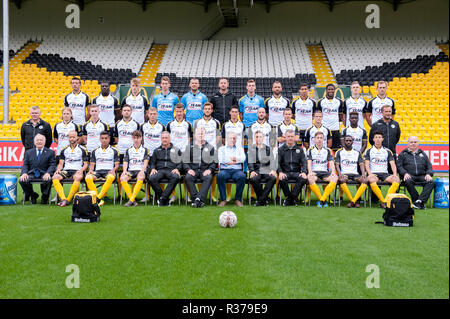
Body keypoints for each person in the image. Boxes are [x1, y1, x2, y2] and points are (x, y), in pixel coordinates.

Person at [52, 130, 89, 207]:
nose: (71, 139)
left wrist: (81, 171)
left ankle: (68, 199)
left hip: (77, 170)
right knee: (55, 177)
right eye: (70, 137)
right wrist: (58, 169)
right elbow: (61, 163)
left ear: (77, 138)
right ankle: (63, 199)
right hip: (66, 170)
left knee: (78, 177)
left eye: (73, 137)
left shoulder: (83, 149)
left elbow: (86, 164)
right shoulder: (64, 149)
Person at [397, 136, 435, 210]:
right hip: (409, 175)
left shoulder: (423, 154)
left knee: (431, 182)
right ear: (408, 143)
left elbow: (429, 166)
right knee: (408, 181)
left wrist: (428, 174)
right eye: (411, 142)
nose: (413, 144)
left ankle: (419, 201)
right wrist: (404, 173)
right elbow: (399, 166)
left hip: (422, 175)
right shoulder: (403, 154)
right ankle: (418, 201)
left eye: (415, 142)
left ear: (418, 143)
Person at [364, 131, 400, 208]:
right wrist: (370, 174)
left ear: (382, 139)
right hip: (374, 173)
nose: (378, 139)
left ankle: (385, 201)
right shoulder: (369, 150)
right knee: (372, 180)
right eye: (376, 137)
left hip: (385, 173)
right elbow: (366, 164)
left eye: (380, 137)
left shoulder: (387, 151)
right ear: (373, 139)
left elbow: (393, 164)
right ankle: (383, 201)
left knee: (396, 180)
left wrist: (394, 174)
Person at [183, 128, 216, 208]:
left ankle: (197, 200)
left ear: (205, 135)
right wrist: (189, 169)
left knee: (209, 177)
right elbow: (184, 161)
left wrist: (210, 169)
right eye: (199, 134)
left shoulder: (210, 147)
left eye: (202, 134)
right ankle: (197, 200)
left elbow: (214, 162)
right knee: (188, 177)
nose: (200, 135)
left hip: (204, 170)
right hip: (193, 170)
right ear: (195, 135)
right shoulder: (189, 146)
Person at [19, 134, 56, 204]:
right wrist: (24, 173)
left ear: (44, 142)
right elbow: (25, 164)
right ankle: (33, 195)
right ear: (34, 142)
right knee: (21, 180)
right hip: (32, 173)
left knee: (48, 179)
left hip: (44, 173)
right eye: (37, 140)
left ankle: (45, 197)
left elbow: (52, 165)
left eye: (41, 140)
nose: (39, 142)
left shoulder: (50, 152)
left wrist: (48, 173)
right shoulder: (28, 152)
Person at [85, 131, 120, 206]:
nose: (104, 140)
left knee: (111, 177)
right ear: (100, 139)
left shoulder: (114, 150)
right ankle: (98, 198)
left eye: (106, 138)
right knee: (88, 177)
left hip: (108, 171)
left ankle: (98, 198)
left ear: (109, 139)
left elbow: (117, 165)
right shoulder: (95, 151)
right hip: (97, 172)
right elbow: (92, 165)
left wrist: (113, 170)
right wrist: (90, 171)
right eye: (102, 138)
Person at [148, 131, 182, 206]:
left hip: (171, 170)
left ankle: (162, 199)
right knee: (151, 178)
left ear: (169, 139)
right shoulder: (156, 150)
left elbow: (180, 163)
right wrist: (153, 168)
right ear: (161, 139)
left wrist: (177, 169)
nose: (164, 139)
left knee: (176, 177)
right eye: (163, 138)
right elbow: (152, 163)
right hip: (159, 170)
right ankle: (164, 198)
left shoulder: (176, 150)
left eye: (166, 138)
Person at [307, 131, 338, 208]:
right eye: (318, 138)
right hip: (315, 172)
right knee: (310, 179)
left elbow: (331, 162)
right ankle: (322, 199)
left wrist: (333, 172)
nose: (319, 140)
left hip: (324, 172)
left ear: (324, 139)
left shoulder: (327, 150)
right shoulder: (310, 150)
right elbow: (309, 163)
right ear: (314, 139)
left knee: (335, 178)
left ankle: (321, 200)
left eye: (321, 138)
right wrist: (310, 172)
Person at [334, 135, 368, 208]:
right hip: (344, 174)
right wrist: (339, 174)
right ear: (344, 141)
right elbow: (336, 165)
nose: (348, 142)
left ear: (352, 142)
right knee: (342, 180)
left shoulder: (357, 152)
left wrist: (363, 174)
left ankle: (353, 201)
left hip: (355, 174)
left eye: (350, 140)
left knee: (365, 180)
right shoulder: (339, 152)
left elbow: (361, 164)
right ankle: (353, 201)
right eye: (347, 140)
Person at [277, 130, 308, 206]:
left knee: (303, 178)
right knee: (281, 179)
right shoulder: (280, 149)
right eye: (288, 136)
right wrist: (280, 172)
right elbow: (277, 163)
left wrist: (304, 172)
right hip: (285, 172)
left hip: (296, 172)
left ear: (294, 138)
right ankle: (292, 199)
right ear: (286, 138)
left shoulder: (300, 149)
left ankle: (289, 199)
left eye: (292, 136)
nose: (290, 138)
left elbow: (304, 162)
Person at [120, 130, 150, 207]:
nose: (136, 140)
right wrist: (124, 171)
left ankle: (130, 201)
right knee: (123, 178)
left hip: (141, 170)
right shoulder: (128, 150)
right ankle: (133, 200)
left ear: (141, 138)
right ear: (132, 138)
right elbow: (125, 162)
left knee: (140, 176)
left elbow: (146, 162)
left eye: (138, 138)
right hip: (131, 171)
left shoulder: (145, 150)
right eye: (134, 138)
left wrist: (142, 171)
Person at [248, 130, 277, 206]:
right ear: (255, 138)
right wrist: (252, 171)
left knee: (273, 178)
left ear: (263, 138)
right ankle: (264, 199)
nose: (258, 138)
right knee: (253, 179)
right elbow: (250, 162)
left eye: (260, 137)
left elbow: (272, 161)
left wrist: (273, 170)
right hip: (257, 170)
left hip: (266, 170)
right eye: (257, 137)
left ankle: (260, 200)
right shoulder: (251, 149)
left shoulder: (268, 149)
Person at [217, 133, 246, 207]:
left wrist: (235, 159)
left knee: (242, 176)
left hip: (237, 170)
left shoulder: (240, 148)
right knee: (220, 176)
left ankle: (238, 199)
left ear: (236, 139)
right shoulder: (221, 149)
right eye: (230, 138)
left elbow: (243, 159)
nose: (232, 140)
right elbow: (221, 159)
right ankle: (223, 199)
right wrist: (235, 160)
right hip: (225, 170)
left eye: (234, 138)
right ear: (227, 139)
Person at [316, 83, 344, 152]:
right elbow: (318, 115)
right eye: (329, 89)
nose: (330, 91)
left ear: (334, 90)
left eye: (332, 89)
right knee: (325, 148)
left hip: (335, 129)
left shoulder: (339, 101)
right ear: (326, 90)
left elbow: (340, 116)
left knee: (336, 149)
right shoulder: (320, 102)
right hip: (324, 129)